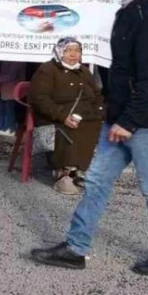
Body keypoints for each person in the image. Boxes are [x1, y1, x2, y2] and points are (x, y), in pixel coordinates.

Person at [32, 0, 148, 277]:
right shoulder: (133, 10)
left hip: (143, 122)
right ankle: (75, 247)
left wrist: (127, 122)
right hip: (123, 118)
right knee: (97, 181)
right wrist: (115, 115)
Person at [28, 38, 104, 195]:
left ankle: (79, 170)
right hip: (55, 117)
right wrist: (62, 116)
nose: (73, 54)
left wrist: (100, 111)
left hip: (83, 116)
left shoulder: (84, 72)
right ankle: (63, 174)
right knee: (71, 129)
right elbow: (39, 99)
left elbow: (97, 95)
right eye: (69, 51)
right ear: (60, 52)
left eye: (77, 51)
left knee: (92, 124)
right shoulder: (47, 70)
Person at [0, 61, 26, 138]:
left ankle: (10, 129)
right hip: (5, 86)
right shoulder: (7, 59)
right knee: (2, 107)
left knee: (9, 108)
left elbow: (12, 75)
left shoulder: (18, 61)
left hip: (12, 86)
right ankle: (1, 126)